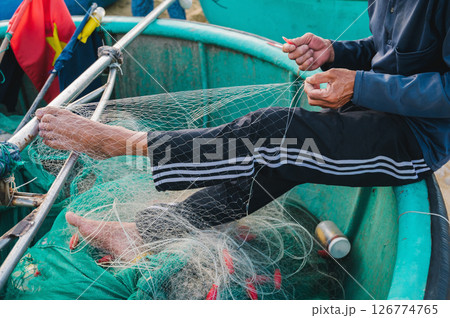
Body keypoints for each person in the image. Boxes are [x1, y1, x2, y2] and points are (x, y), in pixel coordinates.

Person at [35, 0, 449, 260]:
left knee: (273, 132)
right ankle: (142, 234)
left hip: (414, 138)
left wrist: (361, 85)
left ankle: (122, 144)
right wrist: (337, 52)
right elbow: (391, 49)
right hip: (373, 110)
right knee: (273, 160)